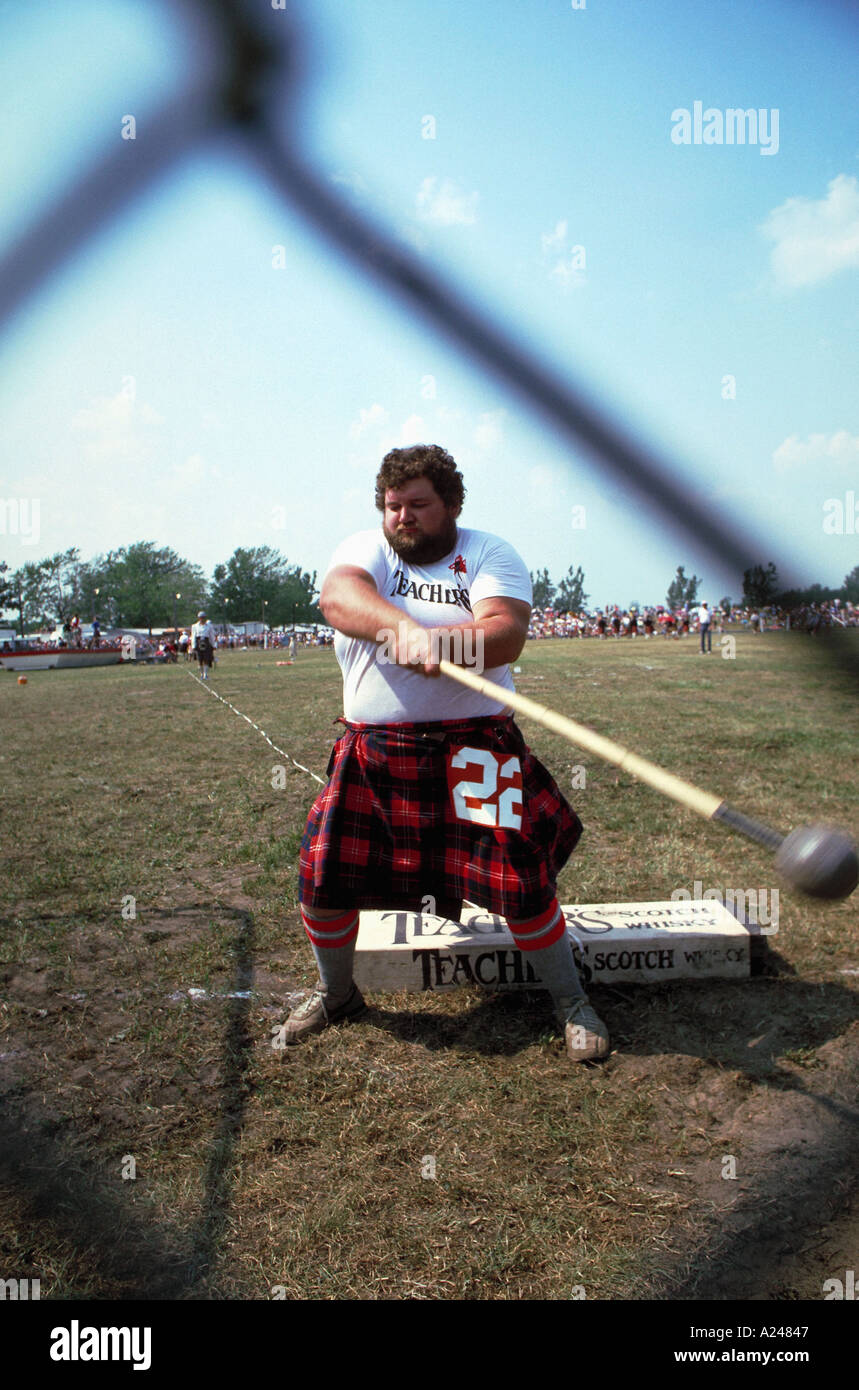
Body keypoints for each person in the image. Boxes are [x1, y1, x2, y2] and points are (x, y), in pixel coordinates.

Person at [282, 443, 609, 1063]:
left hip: (475, 746)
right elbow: (338, 598)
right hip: (374, 752)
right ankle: (338, 994)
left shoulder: (487, 553)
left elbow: (505, 632)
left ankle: (571, 1001)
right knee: (324, 880)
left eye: (418, 505)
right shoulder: (366, 549)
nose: (402, 517)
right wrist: (402, 632)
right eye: (392, 505)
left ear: (452, 504)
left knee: (522, 885)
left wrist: (446, 644)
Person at [191, 610, 216, 680]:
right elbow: (193, 636)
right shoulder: (194, 626)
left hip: (206, 642)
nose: (202, 619)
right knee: (200, 660)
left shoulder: (209, 626)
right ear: (198, 618)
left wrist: (213, 645)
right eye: (201, 617)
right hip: (199, 642)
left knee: (206, 659)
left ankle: (206, 674)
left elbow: (211, 636)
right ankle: (201, 674)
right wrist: (193, 646)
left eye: (203, 617)